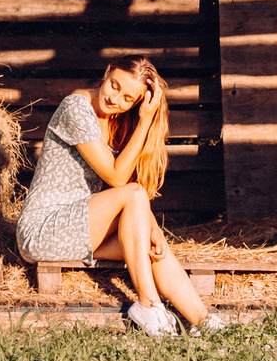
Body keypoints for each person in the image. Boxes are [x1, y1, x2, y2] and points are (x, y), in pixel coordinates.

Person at [15, 58, 220, 337]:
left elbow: (121, 191)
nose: (115, 99)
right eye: (114, 85)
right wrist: (144, 121)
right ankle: (148, 305)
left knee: (150, 246)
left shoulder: (114, 121)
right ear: (106, 72)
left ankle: (204, 322)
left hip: (79, 226)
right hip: (44, 229)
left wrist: (153, 229)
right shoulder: (76, 108)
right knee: (134, 193)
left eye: (127, 98)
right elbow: (117, 179)